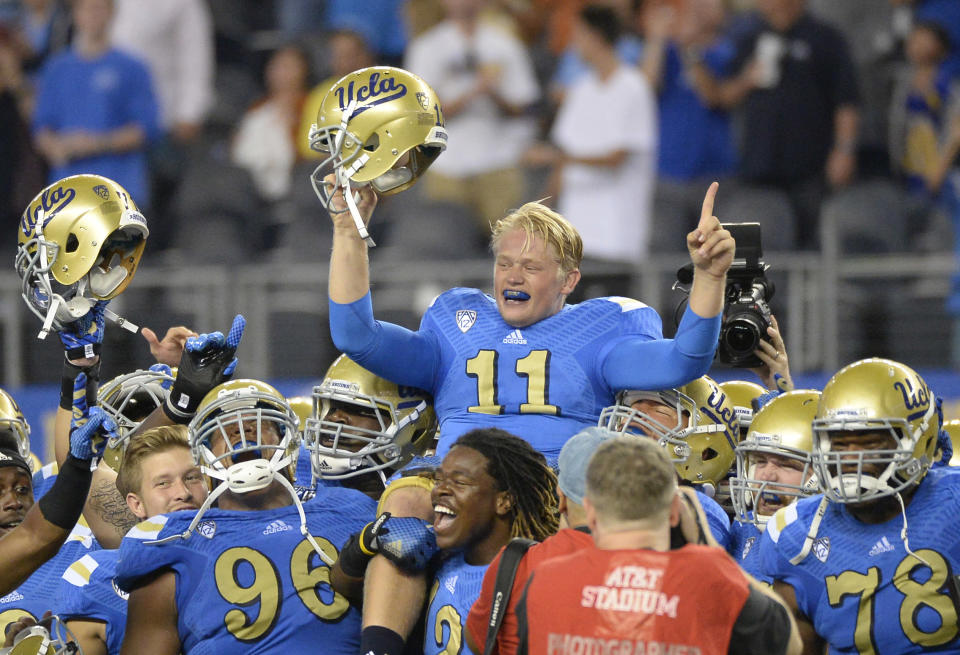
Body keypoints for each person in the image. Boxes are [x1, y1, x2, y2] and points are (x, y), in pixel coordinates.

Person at [326, 116, 734, 459]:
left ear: (569, 280)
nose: (513, 276)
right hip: (457, 491)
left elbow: (684, 361)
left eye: (531, 266)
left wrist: (710, 276)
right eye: (504, 263)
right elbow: (356, 335)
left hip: (554, 498)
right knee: (405, 505)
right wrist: (348, 232)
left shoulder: (601, 331)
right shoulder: (454, 324)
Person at [116, 379, 372, 654]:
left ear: (289, 443)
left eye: (260, 421)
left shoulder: (348, 509)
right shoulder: (176, 538)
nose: (242, 429)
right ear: (203, 456)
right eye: (222, 426)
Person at [515, 436, 802, 655]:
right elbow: (789, 644)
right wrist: (706, 546)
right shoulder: (711, 577)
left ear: (590, 512)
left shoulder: (543, 580)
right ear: (675, 510)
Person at [760, 358, 960, 653]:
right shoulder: (794, 535)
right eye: (838, 443)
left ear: (919, 441)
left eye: (869, 442)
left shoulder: (953, 504)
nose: (851, 459)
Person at [709, 0, 860, 250]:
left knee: (811, 245)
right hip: (760, 171)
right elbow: (722, 97)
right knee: (760, 250)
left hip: (811, 169)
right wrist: (746, 80)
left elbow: (846, 101)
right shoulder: (748, 39)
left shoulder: (825, 38)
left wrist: (844, 150)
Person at [53, 425, 207, 655]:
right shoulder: (95, 580)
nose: (183, 492)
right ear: (136, 504)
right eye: (163, 483)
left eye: (192, 477)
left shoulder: (246, 551)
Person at [405, 0, 540, 235]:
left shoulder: (504, 44)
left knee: (507, 245)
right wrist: (474, 92)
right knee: (446, 244)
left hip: (498, 160)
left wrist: (494, 94)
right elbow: (422, 114)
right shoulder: (426, 47)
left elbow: (524, 106)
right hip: (445, 163)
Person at [535, 5, 657, 263]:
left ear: (596, 36)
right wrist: (539, 214)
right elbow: (562, 162)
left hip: (617, 240)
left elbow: (616, 159)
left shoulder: (634, 89)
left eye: (578, 34)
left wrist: (556, 159)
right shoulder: (580, 91)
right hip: (575, 241)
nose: (573, 43)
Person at [32, 0, 160, 210]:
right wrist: (57, 147)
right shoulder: (57, 69)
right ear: (75, 14)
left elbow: (147, 128)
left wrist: (96, 144)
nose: (93, 16)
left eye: (99, 8)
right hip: (67, 195)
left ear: (111, 13)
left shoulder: (132, 67)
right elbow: (42, 127)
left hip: (120, 191)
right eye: (86, 8)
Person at [598, 374, 737, 548]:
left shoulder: (701, 512)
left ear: (706, 452)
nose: (633, 416)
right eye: (629, 408)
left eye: (660, 411)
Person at [727, 389, 819, 579]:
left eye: (786, 464)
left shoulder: (844, 540)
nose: (767, 476)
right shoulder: (740, 529)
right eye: (759, 461)